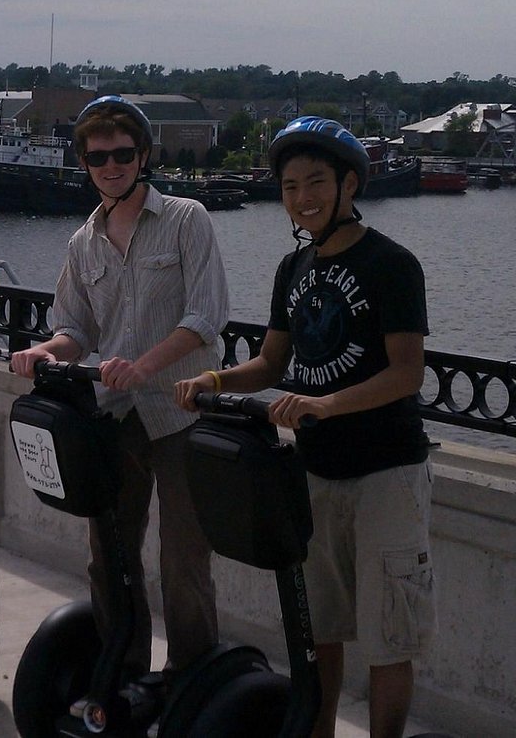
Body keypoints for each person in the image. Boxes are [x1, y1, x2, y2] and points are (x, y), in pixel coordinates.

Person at [176, 116, 435, 738]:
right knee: (319, 629)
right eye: (290, 186)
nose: (303, 197)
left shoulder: (392, 264)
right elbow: (271, 363)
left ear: (350, 185)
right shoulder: (292, 269)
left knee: (387, 634)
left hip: (387, 473)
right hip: (315, 471)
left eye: (316, 181)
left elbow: (406, 374)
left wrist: (326, 404)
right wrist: (213, 381)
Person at [10, 95, 230, 697]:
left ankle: (189, 680)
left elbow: (206, 316)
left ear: (143, 156)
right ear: (83, 162)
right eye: (98, 156)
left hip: (181, 412)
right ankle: (124, 672)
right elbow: (75, 329)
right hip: (115, 416)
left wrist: (145, 364)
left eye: (122, 154)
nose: (111, 166)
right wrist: (43, 353)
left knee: (184, 561)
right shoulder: (83, 242)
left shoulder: (188, 219)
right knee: (109, 555)